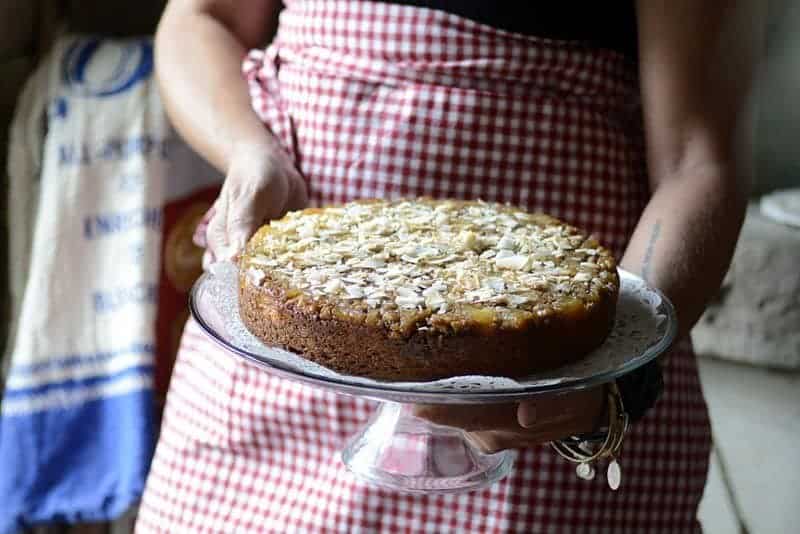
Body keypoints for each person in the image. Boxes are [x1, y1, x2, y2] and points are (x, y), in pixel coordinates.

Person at [136, 1, 757, 531]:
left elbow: (697, 161)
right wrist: (251, 151)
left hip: (544, 388)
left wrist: (617, 372)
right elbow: (201, 17)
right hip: (277, 355)